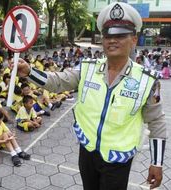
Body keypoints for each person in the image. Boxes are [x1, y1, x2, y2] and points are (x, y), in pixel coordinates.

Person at [17, 2, 166, 189]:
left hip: (117, 158)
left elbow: (157, 123)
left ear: (134, 40)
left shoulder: (148, 81)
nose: (112, 40)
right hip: (87, 151)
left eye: (120, 35)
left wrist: (157, 162)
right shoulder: (88, 68)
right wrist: (29, 71)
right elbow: (58, 81)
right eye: (108, 35)